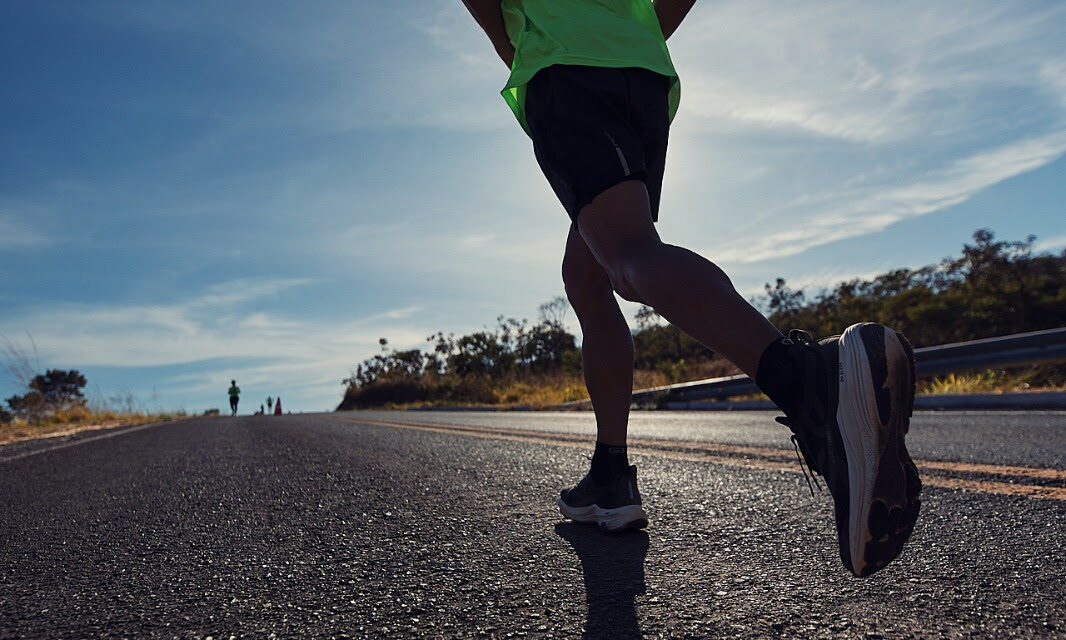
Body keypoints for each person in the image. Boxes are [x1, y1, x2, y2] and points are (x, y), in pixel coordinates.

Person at [460, 0, 921, 577]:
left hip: (562, 68)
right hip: (644, 77)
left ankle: (812, 384)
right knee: (586, 273)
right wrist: (637, 34)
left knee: (628, 257)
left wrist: (523, 50)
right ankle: (610, 471)